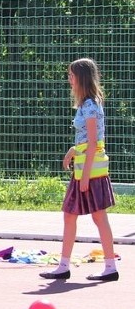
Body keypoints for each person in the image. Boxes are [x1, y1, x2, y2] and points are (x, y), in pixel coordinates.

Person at [40, 58, 118, 282]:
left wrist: (84, 177)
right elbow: (87, 141)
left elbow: (94, 142)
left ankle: (108, 267)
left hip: (89, 172)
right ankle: (66, 266)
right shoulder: (87, 104)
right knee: (74, 215)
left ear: (81, 78)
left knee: (95, 216)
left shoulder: (91, 105)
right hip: (85, 168)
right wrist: (73, 150)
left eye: (71, 75)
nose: (69, 79)